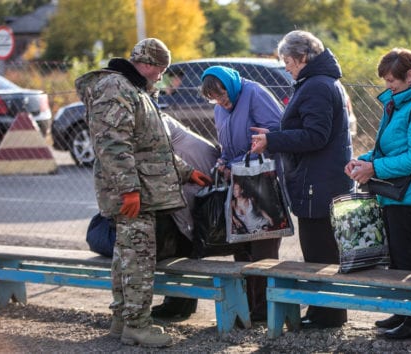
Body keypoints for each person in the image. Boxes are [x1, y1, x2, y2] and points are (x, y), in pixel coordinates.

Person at [75, 38, 212, 348]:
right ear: (149, 65)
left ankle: (122, 320)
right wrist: (129, 190)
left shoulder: (136, 91)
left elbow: (152, 147)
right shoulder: (117, 89)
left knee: (126, 256)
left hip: (141, 191)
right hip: (135, 195)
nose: (161, 76)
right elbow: (112, 145)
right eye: (161, 69)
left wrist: (186, 171)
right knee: (138, 259)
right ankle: (137, 325)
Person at [251, 30, 354, 329]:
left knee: (319, 253)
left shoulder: (317, 86)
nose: (285, 66)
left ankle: (327, 314)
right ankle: (326, 311)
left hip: (318, 183)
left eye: (288, 60)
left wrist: (273, 139)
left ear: (303, 57)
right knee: (319, 250)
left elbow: (315, 135)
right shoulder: (318, 82)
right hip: (319, 180)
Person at [345, 48, 411, 340]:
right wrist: (361, 160)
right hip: (395, 189)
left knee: (407, 257)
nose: (388, 85)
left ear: (409, 76)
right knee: (397, 257)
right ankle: (404, 313)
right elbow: (389, 147)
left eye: (392, 80)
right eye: (386, 80)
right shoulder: (401, 101)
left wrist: (373, 168)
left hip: (409, 192)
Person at [200, 65, 283, 322]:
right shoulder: (219, 108)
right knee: (242, 245)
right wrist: (224, 161)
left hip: (262, 182)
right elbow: (225, 143)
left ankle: (266, 308)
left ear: (230, 86)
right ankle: (246, 306)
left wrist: (238, 160)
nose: (221, 103)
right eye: (215, 99)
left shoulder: (254, 93)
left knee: (263, 246)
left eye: (223, 96)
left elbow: (275, 132)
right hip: (238, 181)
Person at [150, 114, 221, 320]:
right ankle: (179, 302)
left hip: (195, 174)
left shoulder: (155, 118)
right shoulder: (154, 116)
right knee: (182, 240)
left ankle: (179, 303)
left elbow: (159, 153)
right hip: (189, 174)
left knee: (184, 240)